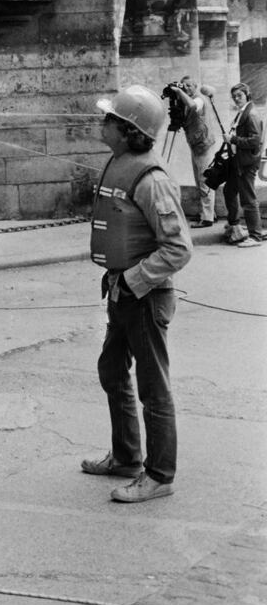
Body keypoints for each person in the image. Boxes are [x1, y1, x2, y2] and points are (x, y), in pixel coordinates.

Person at [82, 85, 192, 503]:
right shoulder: (122, 162)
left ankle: (160, 475)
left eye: (110, 119)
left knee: (153, 388)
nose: (103, 123)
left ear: (129, 131)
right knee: (112, 371)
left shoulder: (152, 181)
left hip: (144, 297)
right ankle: (127, 456)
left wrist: (133, 280)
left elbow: (179, 248)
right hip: (123, 291)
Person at [167, 77, 217, 228]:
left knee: (205, 181)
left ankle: (207, 218)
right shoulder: (187, 99)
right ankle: (208, 213)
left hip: (203, 144)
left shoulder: (199, 99)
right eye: (184, 86)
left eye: (189, 86)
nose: (186, 88)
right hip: (196, 144)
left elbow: (193, 106)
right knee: (198, 179)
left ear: (195, 86)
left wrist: (178, 91)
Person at [223, 82, 264, 247]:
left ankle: (255, 236)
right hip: (239, 160)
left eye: (239, 96)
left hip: (246, 163)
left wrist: (232, 139)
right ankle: (234, 224)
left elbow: (255, 141)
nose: (236, 99)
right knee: (229, 190)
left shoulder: (251, 114)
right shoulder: (243, 112)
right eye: (234, 97)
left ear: (247, 94)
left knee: (248, 198)